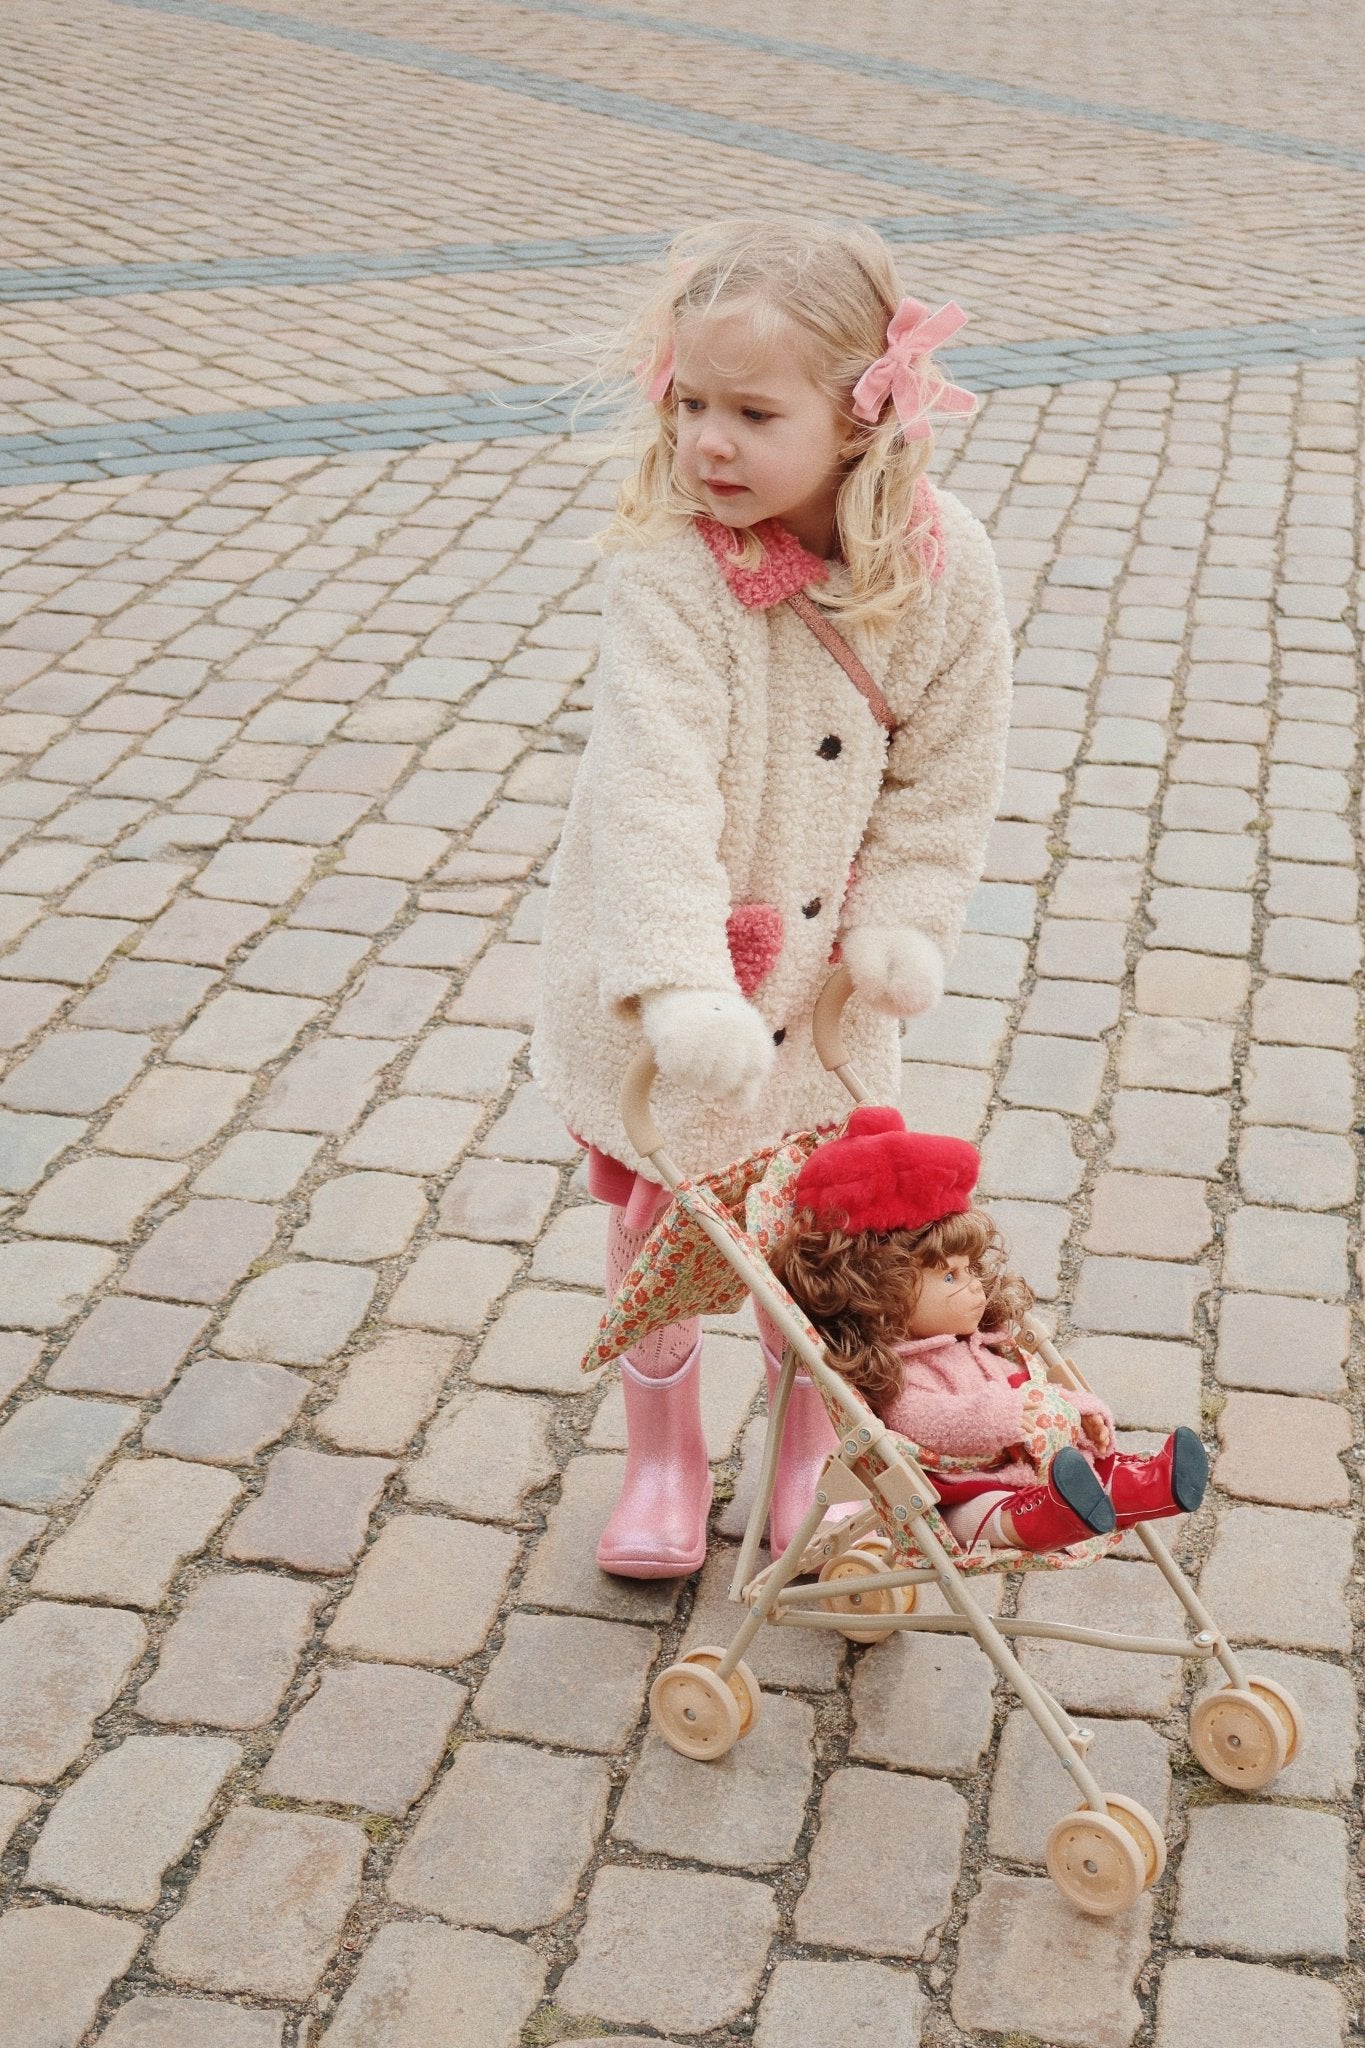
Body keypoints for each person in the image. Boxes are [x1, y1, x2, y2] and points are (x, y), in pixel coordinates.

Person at [532, 218, 1014, 1577]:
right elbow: (652, 791)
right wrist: (681, 982)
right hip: (681, 966)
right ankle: (665, 1463)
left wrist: (904, 923)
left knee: (822, 1234)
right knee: (664, 1216)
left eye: (752, 412)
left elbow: (947, 773)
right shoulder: (670, 566)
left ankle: (801, 1460)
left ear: (860, 420)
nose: (708, 445)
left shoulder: (940, 568)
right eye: (689, 404)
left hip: (826, 992)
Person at [769, 1107, 1209, 1552]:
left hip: (1035, 1461)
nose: (974, 1284)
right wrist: (1007, 1416)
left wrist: (1080, 1410)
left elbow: (1029, 1388)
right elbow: (924, 1422)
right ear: (882, 1293)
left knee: (1096, 1469)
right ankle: (1050, 1519)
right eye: (949, 1277)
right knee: (983, 1511)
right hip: (965, 1486)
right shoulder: (899, 1369)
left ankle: (1148, 1486)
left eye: (968, 1270)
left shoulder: (982, 1344)